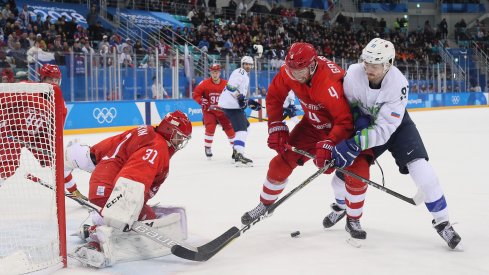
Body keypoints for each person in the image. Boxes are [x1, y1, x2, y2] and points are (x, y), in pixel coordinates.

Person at [322, 38, 461, 249]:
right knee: (340, 179)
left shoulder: (399, 84)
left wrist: (354, 144)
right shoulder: (353, 73)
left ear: (388, 64)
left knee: (424, 173)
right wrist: (356, 119)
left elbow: (385, 129)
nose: (367, 68)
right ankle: (341, 207)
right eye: (366, 62)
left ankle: (443, 222)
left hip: (396, 128)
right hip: (364, 127)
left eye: (374, 65)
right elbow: (348, 106)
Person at [240, 42, 353, 224]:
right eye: (291, 70)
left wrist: (331, 142)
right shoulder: (289, 71)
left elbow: (345, 121)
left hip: (339, 131)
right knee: (281, 162)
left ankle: (342, 207)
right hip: (311, 126)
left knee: (344, 176)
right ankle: (265, 204)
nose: (294, 75)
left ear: (312, 65)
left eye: (299, 71)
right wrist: (275, 124)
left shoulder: (330, 83)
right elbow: (275, 96)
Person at [70, 110, 192, 267]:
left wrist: (94, 154)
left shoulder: (146, 131)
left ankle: (94, 227)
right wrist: (125, 210)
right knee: (147, 218)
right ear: (169, 129)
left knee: (138, 213)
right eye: (179, 136)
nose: (180, 141)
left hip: (101, 183)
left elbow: (114, 142)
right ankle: (97, 243)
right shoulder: (158, 147)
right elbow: (133, 177)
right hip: (113, 192)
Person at [218, 56, 262, 167]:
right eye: (246, 64)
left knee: (246, 127)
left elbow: (239, 94)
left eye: (249, 64)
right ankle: (239, 156)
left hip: (231, 105)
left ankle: (235, 152)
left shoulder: (244, 74)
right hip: (231, 105)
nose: (248, 66)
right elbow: (230, 87)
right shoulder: (240, 72)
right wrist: (240, 97)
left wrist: (248, 101)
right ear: (242, 64)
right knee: (241, 130)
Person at [192, 64, 236, 159]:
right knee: (210, 127)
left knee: (229, 128)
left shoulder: (226, 84)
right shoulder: (204, 83)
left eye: (216, 72)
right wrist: (202, 101)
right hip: (209, 111)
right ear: (210, 73)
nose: (214, 74)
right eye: (212, 72)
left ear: (219, 73)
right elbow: (196, 94)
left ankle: (236, 149)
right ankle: (207, 147)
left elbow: (234, 94)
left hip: (222, 111)